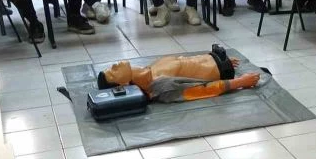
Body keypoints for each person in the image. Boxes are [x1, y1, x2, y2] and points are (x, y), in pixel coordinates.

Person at [98, 45, 260, 102]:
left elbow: (184, 62)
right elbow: (203, 90)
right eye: (112, 73)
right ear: (123, 85)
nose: (114, 65)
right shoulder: (160, 87)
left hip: (219, 62)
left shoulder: (148, 69)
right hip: (222, 73)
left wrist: (217, 58)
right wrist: (241, 82)